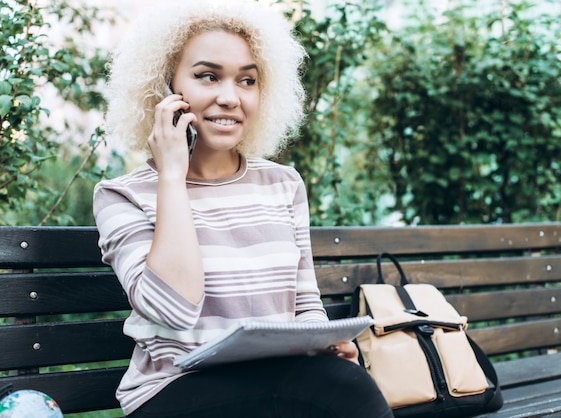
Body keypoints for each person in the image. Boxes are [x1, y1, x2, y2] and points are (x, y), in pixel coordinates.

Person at [93, 1, 393, 417]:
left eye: (247, 80)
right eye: (207, 76)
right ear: (163, 87)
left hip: (274, 383)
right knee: (344, 392)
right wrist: (172, 177)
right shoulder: (121, 195)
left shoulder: (282, 184)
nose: (230, 97)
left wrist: (327, 346)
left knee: (344, 381)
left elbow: (305, 306)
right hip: (173, 393)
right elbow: (174, 310)